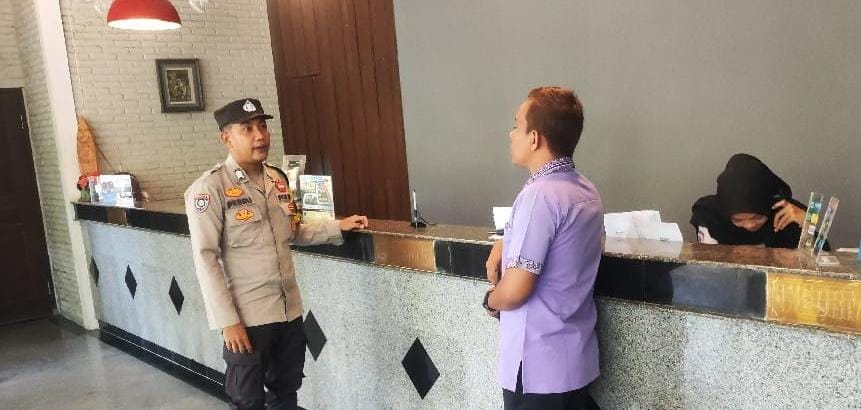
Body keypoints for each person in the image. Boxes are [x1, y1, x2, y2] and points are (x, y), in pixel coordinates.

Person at [185, 98, 368, 409]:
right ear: (227, 138)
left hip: (288, 312)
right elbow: (206, 258)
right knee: (248, 401)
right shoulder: (210, 188)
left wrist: (338, 226)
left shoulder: (278, 180)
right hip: (248, 318)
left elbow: (294, 232)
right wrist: (228, 322)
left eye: (262, 126)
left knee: (287, 394)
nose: (260, 136)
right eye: (247, 129)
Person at [484, 87, 603, 410]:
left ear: (534, 138)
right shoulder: (585, 190)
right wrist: (507, 241)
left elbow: (515, 291)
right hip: (573, 361)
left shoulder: (540, 196)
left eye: (516, 125)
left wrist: (490, 301)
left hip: (537, 368)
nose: (511, 134)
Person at [691, 153, 816, 249]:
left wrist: (808, 223)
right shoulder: (709, 214)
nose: (749, 225)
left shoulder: (788, 213)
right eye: (737, 220)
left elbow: (818, 262)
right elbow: (705, 262)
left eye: (758, 217)